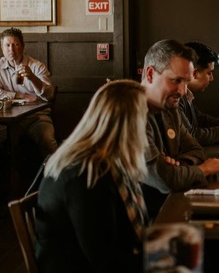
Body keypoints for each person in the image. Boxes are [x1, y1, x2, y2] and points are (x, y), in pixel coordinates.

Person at [35, 79, 149, 272]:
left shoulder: (108, 159)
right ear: (131, 125)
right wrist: (171, 257)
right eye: (144, 117)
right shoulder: (86, 174)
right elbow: (106, 263)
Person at [139, 39, 219, 215]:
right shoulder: (132, 113)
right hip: (144, 219)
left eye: (185, 82)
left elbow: (196, 149)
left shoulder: (169, 107)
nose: (181, 91)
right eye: (176, 80)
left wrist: (177, 166)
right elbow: (165, 180)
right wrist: (202, 169)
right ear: (150, 74)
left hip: (168, 205)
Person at [0, 27, 57, 156]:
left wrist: (32, 78)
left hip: (36, 118)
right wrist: (21, 96)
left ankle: (54, 174)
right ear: (2, 48)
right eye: (7, 45)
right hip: (6, 119)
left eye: (15, 44)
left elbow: (49, 95)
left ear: (23, 46)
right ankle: (0, 175)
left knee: (47, 141)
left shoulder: (37, 66)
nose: (11, 49)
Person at [179, 42, 219, 146]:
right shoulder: (177, 98)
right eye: (209, 73)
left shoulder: (187, 95)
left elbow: (201, 119)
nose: (212, 78)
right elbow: (192, 135)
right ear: (194, 73)